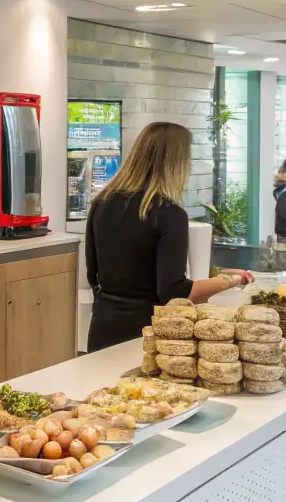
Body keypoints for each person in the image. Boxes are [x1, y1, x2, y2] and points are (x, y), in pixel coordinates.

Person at [85, 122, 252, 352]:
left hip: (102, 326)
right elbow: (174, 291)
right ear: (176, 164)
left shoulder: (102, 202)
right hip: (146, 334)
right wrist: (230, 281)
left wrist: (217, 274)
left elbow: (95, 273)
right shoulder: (169, 213)